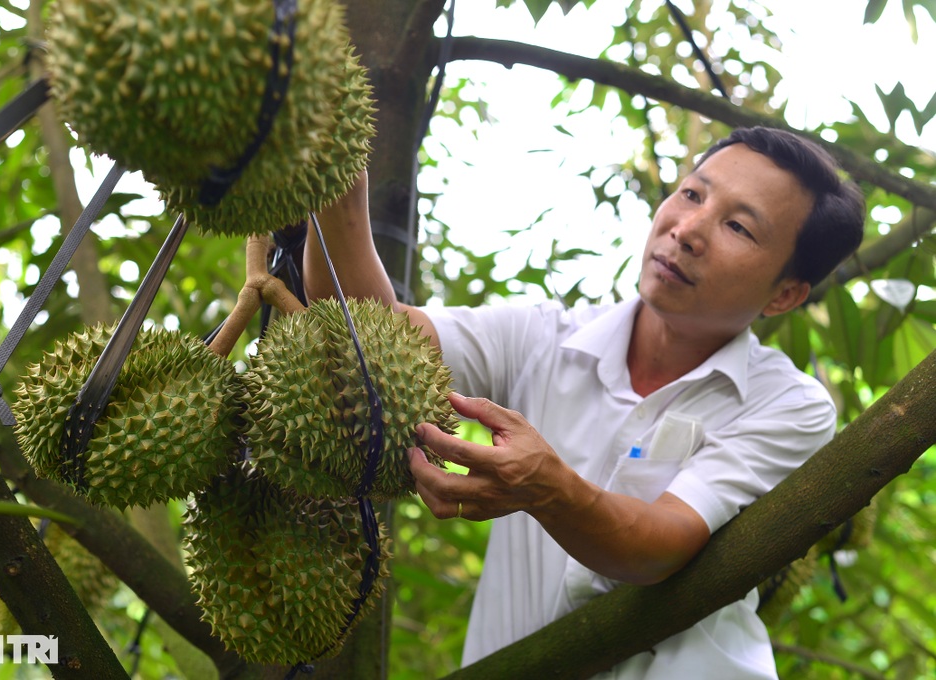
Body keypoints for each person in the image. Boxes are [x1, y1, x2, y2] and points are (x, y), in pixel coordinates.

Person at [303, 126, 864, 678]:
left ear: (786, 294)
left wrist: (548, 486)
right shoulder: (545, 337)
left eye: (738, 226)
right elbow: (366, 336)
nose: (687, 230)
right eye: (692, 193)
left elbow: (660, 543)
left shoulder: (789, 405)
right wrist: (335, 175)